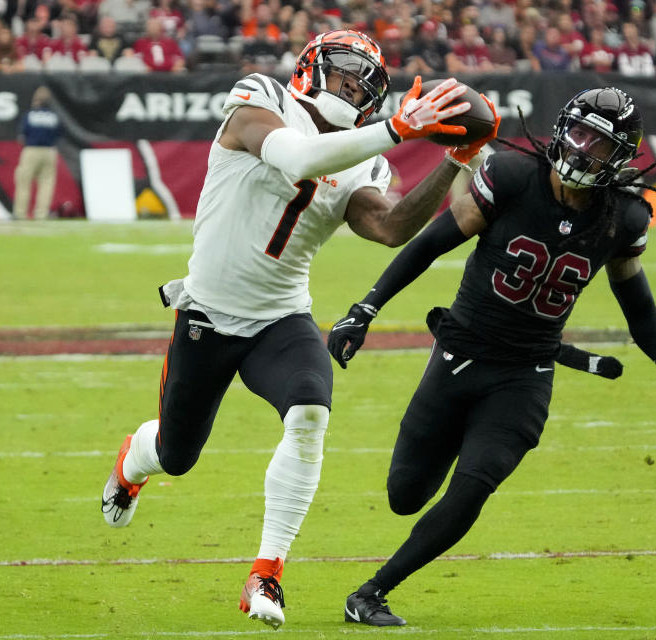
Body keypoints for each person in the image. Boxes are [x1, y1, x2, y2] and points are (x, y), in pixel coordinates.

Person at [100, 29, 500, 631]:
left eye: (365, 82)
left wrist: (452, 162)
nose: (353, 86)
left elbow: (390, 227)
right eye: (344, 72)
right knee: (178, 455)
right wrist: (397, 129)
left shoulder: (366, 156)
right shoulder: (259, 97)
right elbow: (298, 157)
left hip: (282, 316)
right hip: (209, 312)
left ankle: (267, 571)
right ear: (311, 68)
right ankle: (134, 460)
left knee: (311, 412)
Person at [327, 87, 656, 627]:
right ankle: (450, 442)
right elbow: (429, 243)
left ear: (620, 158)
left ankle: (371, 593)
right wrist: (365, 309)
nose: (581, 150)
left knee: (474, 485)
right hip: (459, 356)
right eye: (578, 133)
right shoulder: (510, 177)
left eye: (599, 146)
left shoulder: (624, 218)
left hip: (524, 375)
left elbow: (638, 306)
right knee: (404, 495)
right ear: (560, 129)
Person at [13, 87, 61, 220]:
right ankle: (41, 214)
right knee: (46, 183)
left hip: (32, 150)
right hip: (49, 151)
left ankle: (20, 213)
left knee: (24, 182)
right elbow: (58, 135)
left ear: (36, 100)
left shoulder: (30, 115)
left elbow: (21, 136)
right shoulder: (54, 116)